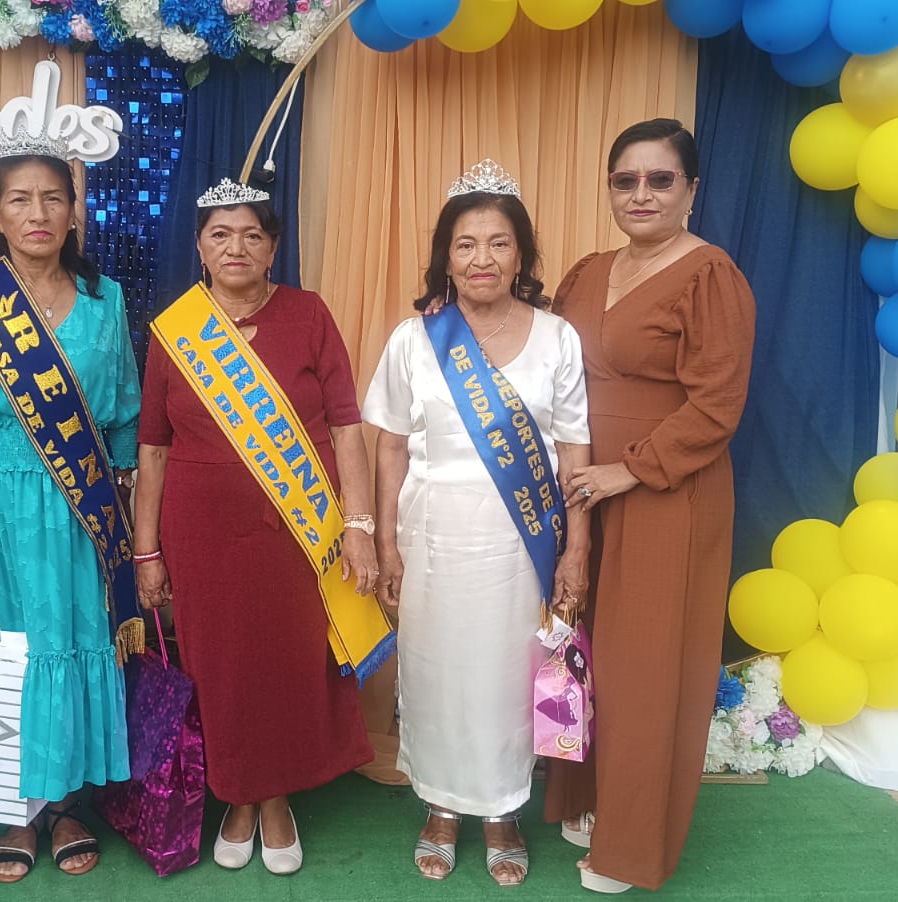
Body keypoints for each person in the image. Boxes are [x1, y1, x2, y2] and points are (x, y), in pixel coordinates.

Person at [131, 179, 380, 876]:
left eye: (251, 234)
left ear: (273, 247)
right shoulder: (176, 329)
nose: (235, 247)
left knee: (286, 661)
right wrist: (147, 551)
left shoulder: (309, 314)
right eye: (220, 234)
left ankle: (275, 798)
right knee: (219, 666)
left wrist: (359, 526)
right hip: (202, 533)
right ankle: (238, 797)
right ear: (199, 247)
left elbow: (347, 427)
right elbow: (152, 447)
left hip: (298, 532)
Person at [363, 160, 593, 887]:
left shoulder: (558, 338)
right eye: (465, 244)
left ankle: (502, 809)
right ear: (446, 256)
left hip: (523, 543)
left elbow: (575, 449)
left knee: (506, 678)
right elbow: (389, 445)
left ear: (521, 254)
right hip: (433, 535)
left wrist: (576, 549)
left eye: (498, 243)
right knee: (435, 673)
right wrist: (386, 542)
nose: (481, 259)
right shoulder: (414, 339)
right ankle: (440, 804)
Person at [543, 118, 756, 894]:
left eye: (660, 180)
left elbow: (717, 406)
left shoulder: (711, 275)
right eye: (625, 180)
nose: (641, 194)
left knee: (644, 671)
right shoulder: (586, 271)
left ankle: (631, 848)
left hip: (666, 493)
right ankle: (584, 797)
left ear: (691, 189)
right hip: (582, 490)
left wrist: (626, 472)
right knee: (581, 653)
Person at [0, 127, 141, 883]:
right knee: (8, 647)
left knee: (76, 638)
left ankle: (68, 805)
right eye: (19, 199)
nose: (38, 213)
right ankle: (16, 808)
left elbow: (123, 409)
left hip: (83, 503)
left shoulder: (105, 299)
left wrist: (123, 504)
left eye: (54, 197)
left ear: (74, 212)